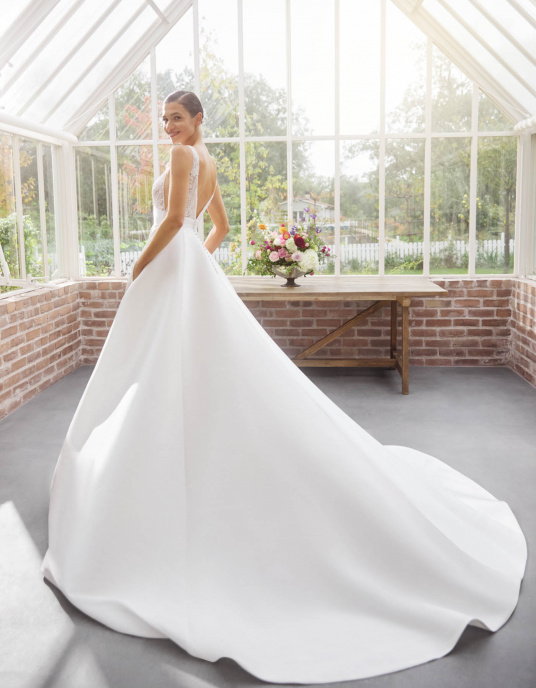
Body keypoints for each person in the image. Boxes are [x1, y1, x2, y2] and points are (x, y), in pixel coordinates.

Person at [41, 90, 527, 685]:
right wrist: (196, 264)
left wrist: (142, 268)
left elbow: (173, 221)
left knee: (166, 371)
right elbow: (213, 228)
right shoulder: (208, 160)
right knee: (185, 371)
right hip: (190, 273)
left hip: (174, 272)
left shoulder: (186, 160)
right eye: (165, 119)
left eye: (177, 118)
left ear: (197, 120)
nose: (168, 127)